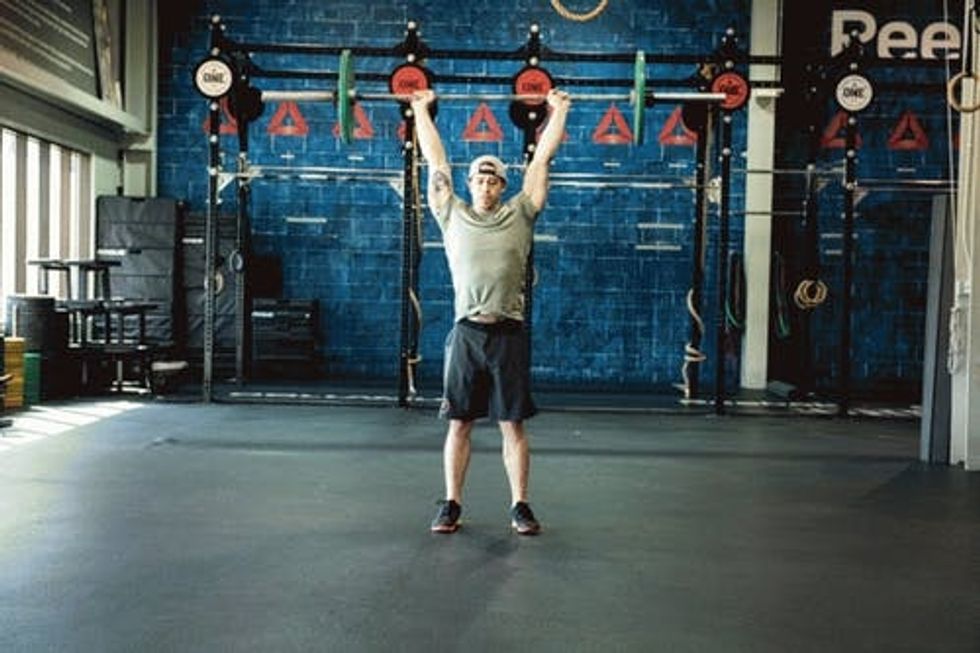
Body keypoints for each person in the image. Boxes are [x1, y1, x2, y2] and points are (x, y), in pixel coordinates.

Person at [410, 88, 571, 535]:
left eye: (492, 180)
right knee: (459, 424)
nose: (484, 185)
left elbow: (540, 162)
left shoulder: (521, 213)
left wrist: (557, 111)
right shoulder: (451, 213)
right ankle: (451, 504)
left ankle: (520, 505)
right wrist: (421, 110)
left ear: (503, 186)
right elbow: (436, 163)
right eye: (478, 179)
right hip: (466, 334)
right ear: (470, 184)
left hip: (508, 334)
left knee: (511, 425)